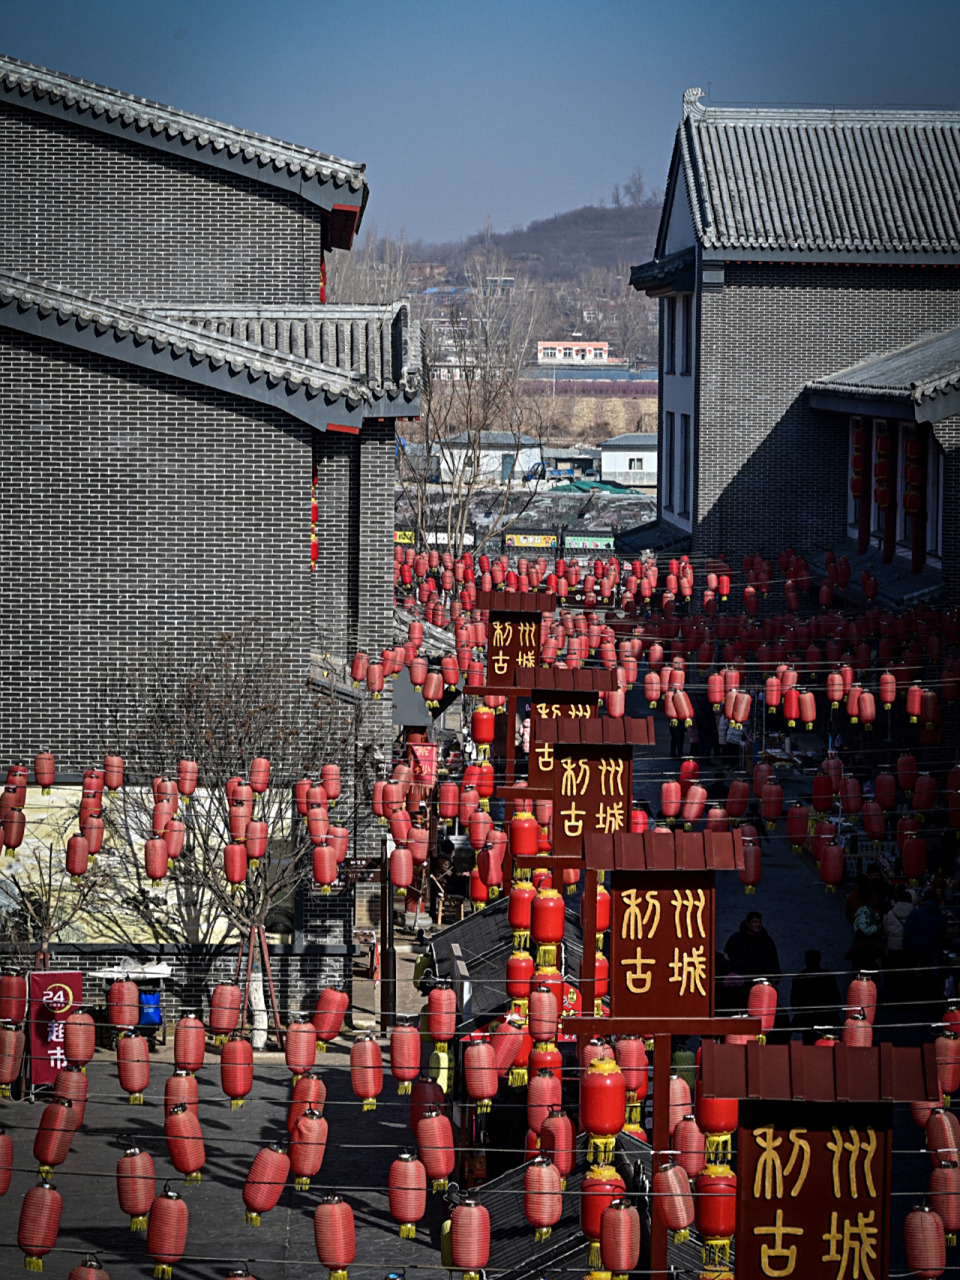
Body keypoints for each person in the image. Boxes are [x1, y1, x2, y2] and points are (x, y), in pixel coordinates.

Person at [903, 891, 948, 1007]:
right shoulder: (940, 915)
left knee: (913, 975)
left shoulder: (916, 913)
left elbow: (907, 931)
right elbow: (943, 934)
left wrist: (906, 945)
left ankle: (914, 1000)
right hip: (931, 950)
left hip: (915, 948)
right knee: (928, 974)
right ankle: (928, 999)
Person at [790, 949, 842, 1043]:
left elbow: (794, 1003)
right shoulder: (827, 976)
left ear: (805, 961)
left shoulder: (799, 978)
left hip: (809, 1021)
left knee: (810, 1045)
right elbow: (836, 999)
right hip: (825, 1019)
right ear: (819, 960)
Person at [723, 911, 781, 985]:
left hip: (762, 980)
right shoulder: (736, 939)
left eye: (759, 922)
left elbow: (774, 959)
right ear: (748, 924)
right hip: (741, 981)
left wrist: (775, 978)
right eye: (754, 922)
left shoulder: (766, 940)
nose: (758, 924)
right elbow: (726, 958)